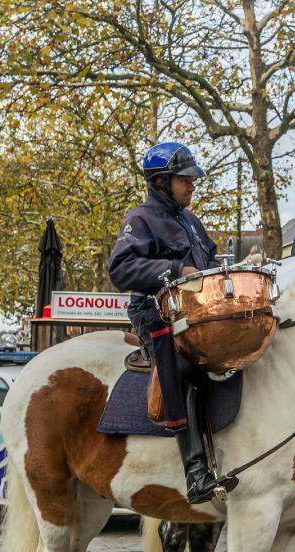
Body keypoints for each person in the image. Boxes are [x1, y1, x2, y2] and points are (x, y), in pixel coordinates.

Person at [109, 142, 236, 504]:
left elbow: (209, 259)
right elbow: (120, 270)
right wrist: (177, 269)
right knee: (188, 367)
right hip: (155, 311)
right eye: (184, 180)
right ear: (161, 182)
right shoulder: (141, 218)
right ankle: (195, 471)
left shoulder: (190, 221)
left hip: (195, 309)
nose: (192, 186)